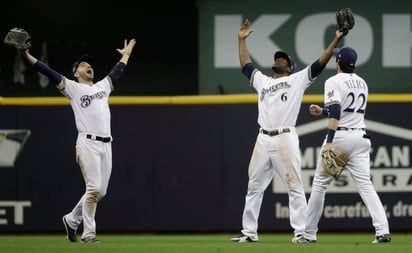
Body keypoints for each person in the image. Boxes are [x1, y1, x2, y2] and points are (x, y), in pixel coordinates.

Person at [230, 19, 346, 243]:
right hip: (263, 138)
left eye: (282, 59)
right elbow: (246, 65)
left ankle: (302, 232)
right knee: (253, 187)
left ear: (290, 66)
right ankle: (249, 233)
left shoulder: (296, 79)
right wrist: (241, 40)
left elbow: (319, 64)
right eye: (276, 58)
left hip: (285, 137)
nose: (278, 60)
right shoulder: (262, 81)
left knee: (294, 185)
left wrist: (336, 39)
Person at [20, 39, 136, 243]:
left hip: (107, 144)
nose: (88, 66)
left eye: (89, 64)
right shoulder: (72, 88)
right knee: (93, 189)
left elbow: (117, 72)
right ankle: (89, 234)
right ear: (76, 72)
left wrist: (125, 55)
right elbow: (47, 72)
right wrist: (26, 56)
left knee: (101, 192)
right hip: (87, 143)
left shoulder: (102, 86)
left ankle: (72, 220)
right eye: (83, 65)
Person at [298, 46, 391, 244]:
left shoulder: (333, 80)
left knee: (319, 185)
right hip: (360, 138)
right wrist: (324, 111)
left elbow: (338, 111)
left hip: (340, 139)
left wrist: (330, 142)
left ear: (337, 62)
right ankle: (382, 230)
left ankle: (308, 234)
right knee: (366, 185)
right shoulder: (362, 82)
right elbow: (347, 110)